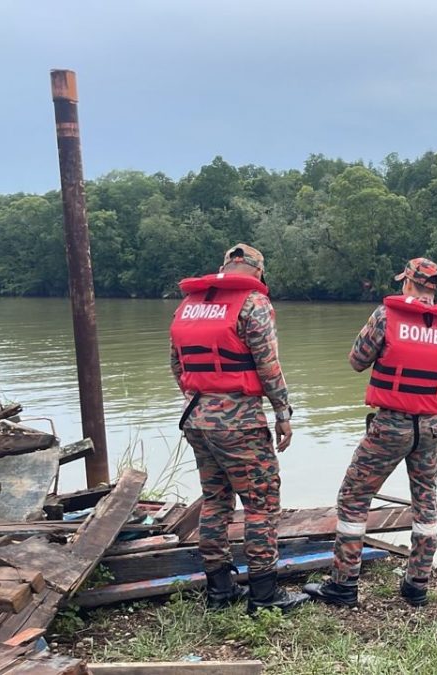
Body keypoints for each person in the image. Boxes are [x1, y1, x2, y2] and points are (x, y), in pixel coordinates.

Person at [306, 257, 437, 608]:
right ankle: (416, 587)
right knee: (425, 502)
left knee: (353, 499)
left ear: (409, 284)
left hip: (389, 426)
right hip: (430, 428)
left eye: (404, 281)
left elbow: (356, 360)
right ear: (435, 289)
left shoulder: (385, 316)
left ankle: (343, 586)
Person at [169, 244, 309, 614]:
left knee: (215, 500)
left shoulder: (189, 304)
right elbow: (268, 365)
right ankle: (264, 595)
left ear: (223, 268)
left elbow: (176, 364)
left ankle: (220, 590)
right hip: (240, 423)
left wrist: (202, 397)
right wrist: (282, 412)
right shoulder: (253, 303)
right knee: (261, 505)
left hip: (196, 418)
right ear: (259, 273)